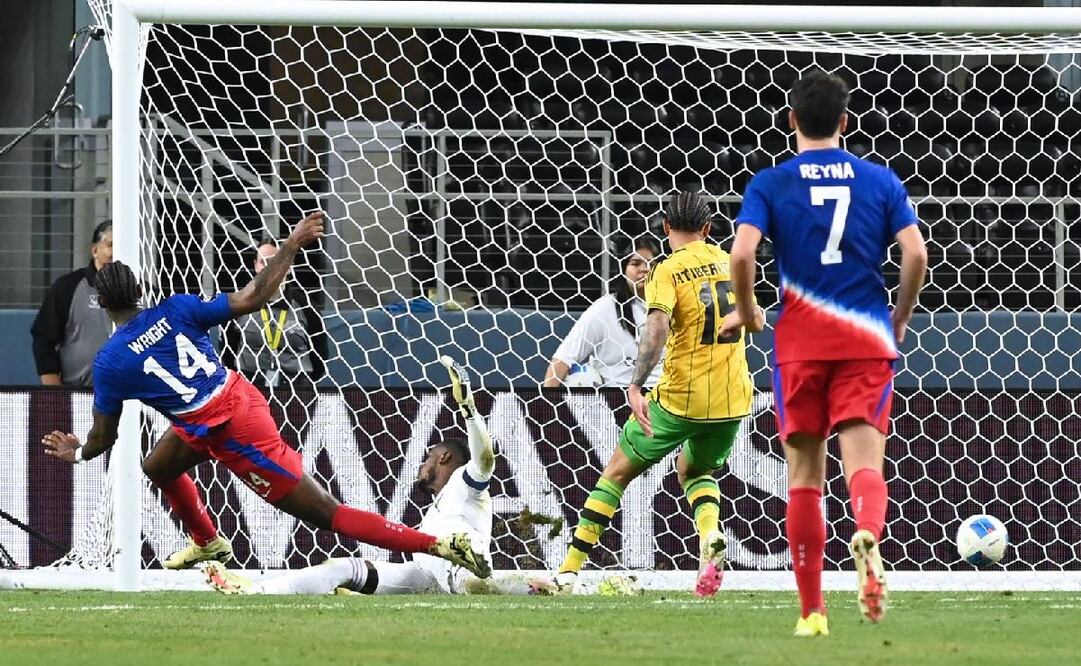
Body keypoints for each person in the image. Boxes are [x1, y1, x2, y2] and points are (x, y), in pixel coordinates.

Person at [41, 212, 490, 580]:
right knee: (158, 465)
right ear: (140, 289)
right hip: (227, 399)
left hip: (234, 431)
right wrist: (291, 244)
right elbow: (254, 297)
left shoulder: (110, 362)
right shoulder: (178, 306)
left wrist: (78, 453)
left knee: (328, 514)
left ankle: (441, 545)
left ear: (100, 302)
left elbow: (103, 437)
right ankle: (207, 541)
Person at [729, 70, 927, 636]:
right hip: (865, 339)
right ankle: (867, 532)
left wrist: (746, 309)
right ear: (845, 122)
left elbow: (742, 254)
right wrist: (901, 316)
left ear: (791, 119)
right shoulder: (880, 180)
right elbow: (916, 254)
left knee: (805, 477)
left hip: (800, 343)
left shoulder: (771, 182)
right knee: (864, 465)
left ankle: (813, 613)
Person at [549, 191, 765, 597]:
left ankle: (569, 570)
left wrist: (635, 383)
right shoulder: (730, 261)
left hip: (681, 398)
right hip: (733, 398)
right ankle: (710, 536)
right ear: (707, 228)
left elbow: (657, 327)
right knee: (695, 471)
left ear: (667, 228)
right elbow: (757, 318)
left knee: (615, 473)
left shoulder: (666, 269)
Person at [204, 356, 524, 596]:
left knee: (476, 583)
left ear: (444, 457)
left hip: (459, 568)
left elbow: (485, 459)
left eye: (428, 456)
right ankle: (257, 592)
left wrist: (467, 406)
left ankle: (516, 584)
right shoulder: (435, 511)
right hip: (425, 577)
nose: (422, 464)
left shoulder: (466, 486)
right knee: (343, 567)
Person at [223, 237, 324, 444]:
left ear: (289, 266)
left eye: (275, 261)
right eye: (263, 262)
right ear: (255, 266)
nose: (268, 267)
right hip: (250, 390)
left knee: (294, 447)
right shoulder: (239, 304)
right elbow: (228, 353)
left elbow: (320, 355)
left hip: (296, 392)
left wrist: (301, 383)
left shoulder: (305, 305)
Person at [542, 237, 663, 388]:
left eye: (651, 264)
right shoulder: (604, 309)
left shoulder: (674, 308)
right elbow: (563, 359)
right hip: (616, 400)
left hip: (665, 401)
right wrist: (546, 405)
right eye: (635, 263)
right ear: (623, 269)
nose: (645, 269)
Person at [31, 220, 114, 386]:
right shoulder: (67, 287)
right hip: (80, 395)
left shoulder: (144, 291)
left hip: (133, 400)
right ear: (95, 250)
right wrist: (55, 395)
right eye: (110, 245)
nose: (116, 252)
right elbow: (43, 340)